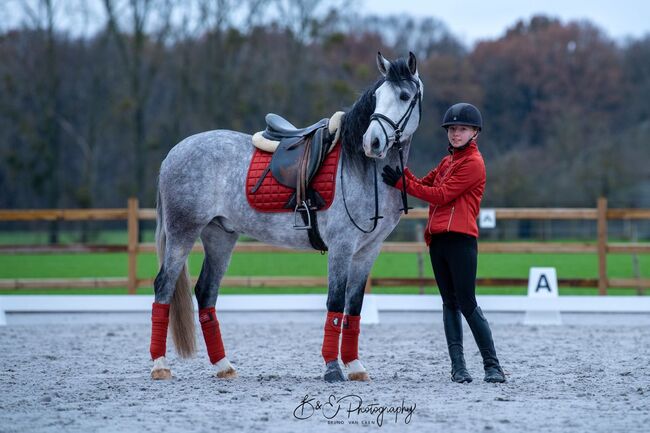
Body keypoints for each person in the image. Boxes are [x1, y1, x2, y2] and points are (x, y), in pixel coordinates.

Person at [382, 102, 506, 383]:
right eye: (452, 129)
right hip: (438, 240)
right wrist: (401, 171)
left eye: (462, 129)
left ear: (475, 132)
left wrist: (403, 184)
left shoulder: (474, 164)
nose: (455, 133)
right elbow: (424, 182)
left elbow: (440, 195)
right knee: (449, 303)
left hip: (461, 240)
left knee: (467, 302)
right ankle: (458, 367)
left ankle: (492, 365)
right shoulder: (447, 162)